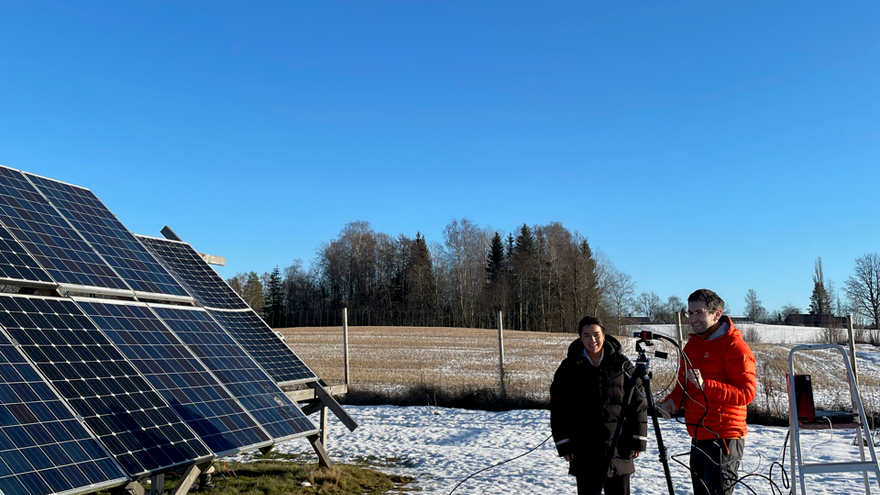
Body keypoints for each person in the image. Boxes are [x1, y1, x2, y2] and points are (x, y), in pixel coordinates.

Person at [660, 289, 757, 495]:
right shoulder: (692, 346)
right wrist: (673, 402)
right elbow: (683, 386)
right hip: (698, 434)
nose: (693, 318)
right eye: (690, 313)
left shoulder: (736, 347)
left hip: (725, 436)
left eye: (699, 312)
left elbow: (746, 394)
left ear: (717, 314)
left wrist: (707, 386)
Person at [551, 316, 647, 495]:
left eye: (596, 334)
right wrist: (564, 444)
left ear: (604, 335)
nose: (592, 340)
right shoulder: (569, 367)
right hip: (584, 448)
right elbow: (558, 408)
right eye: (586, 335)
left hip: (619, 447)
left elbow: (639, 402)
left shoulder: (622, 364)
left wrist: (638, 439)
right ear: (580, 338)